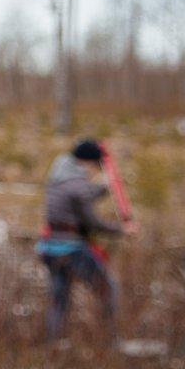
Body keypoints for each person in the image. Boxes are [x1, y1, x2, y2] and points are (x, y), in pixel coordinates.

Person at [39, 138, 125, 340]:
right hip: (72, 249)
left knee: (60, 300)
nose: (96, 171)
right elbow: (93, 222)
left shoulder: (58, 178)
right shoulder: (78, 185)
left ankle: (52, 344)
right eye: (96, 166)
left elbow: (81, 196)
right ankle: (110, 339)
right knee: (107, 288)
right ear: (87, 162)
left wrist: (103, 188)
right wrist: (122, 229)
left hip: (49, 248)